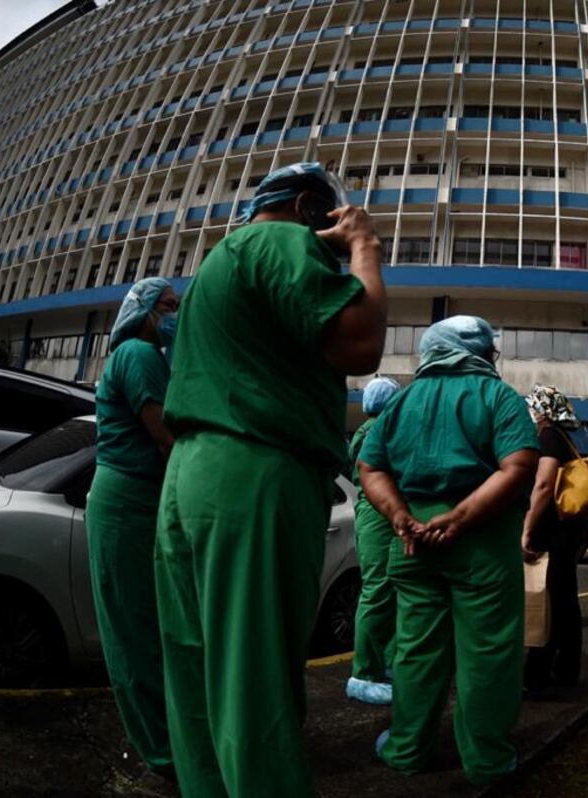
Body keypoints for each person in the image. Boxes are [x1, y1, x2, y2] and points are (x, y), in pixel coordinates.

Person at [154, 162, 388, 796]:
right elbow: (359, 342)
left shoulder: (214, 266)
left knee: (198, 681)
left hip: (191, 475)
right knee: (255, 682)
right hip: (257, 467)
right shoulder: (279, 240)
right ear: (310, 204)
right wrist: (363, 245)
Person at [358, 316, 539, 785]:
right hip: (482, 542)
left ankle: (406, 748)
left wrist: (399, 515)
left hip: (413, 544)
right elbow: (518, 465)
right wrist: (459, 518)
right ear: (478, 351)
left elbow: (370, 467)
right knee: (488, 653)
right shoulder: (499, 398)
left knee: (416, 652)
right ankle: (486, 760)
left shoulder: (401, 403)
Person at [84, 277, 178, 778]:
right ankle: (161, 756)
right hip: (127, 503)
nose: (174, 315)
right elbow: (166, 435)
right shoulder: (139, 354)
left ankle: (161, 743)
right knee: (134, 637)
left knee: (144, 630)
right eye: (167, 306)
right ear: (141, 310)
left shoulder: (143, 354)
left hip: (134, 499)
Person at [522, 385, 588, 692]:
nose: (530, 412)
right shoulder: (563, 436)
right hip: (568, 531)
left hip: (553, 532)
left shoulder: (548, 436)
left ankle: (540, 673)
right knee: (564, 600)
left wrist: (527, 527)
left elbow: (545, 483)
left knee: (548, 600)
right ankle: (565, 668)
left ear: (543, 410)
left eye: (533, 407)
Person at [346, 376, 402, 705]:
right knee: (378, 590)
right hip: (377, 515)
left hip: (381, 514)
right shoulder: (377, 430)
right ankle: (364, 672)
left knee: (392, 590)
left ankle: (389, 664)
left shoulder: (370, 429)